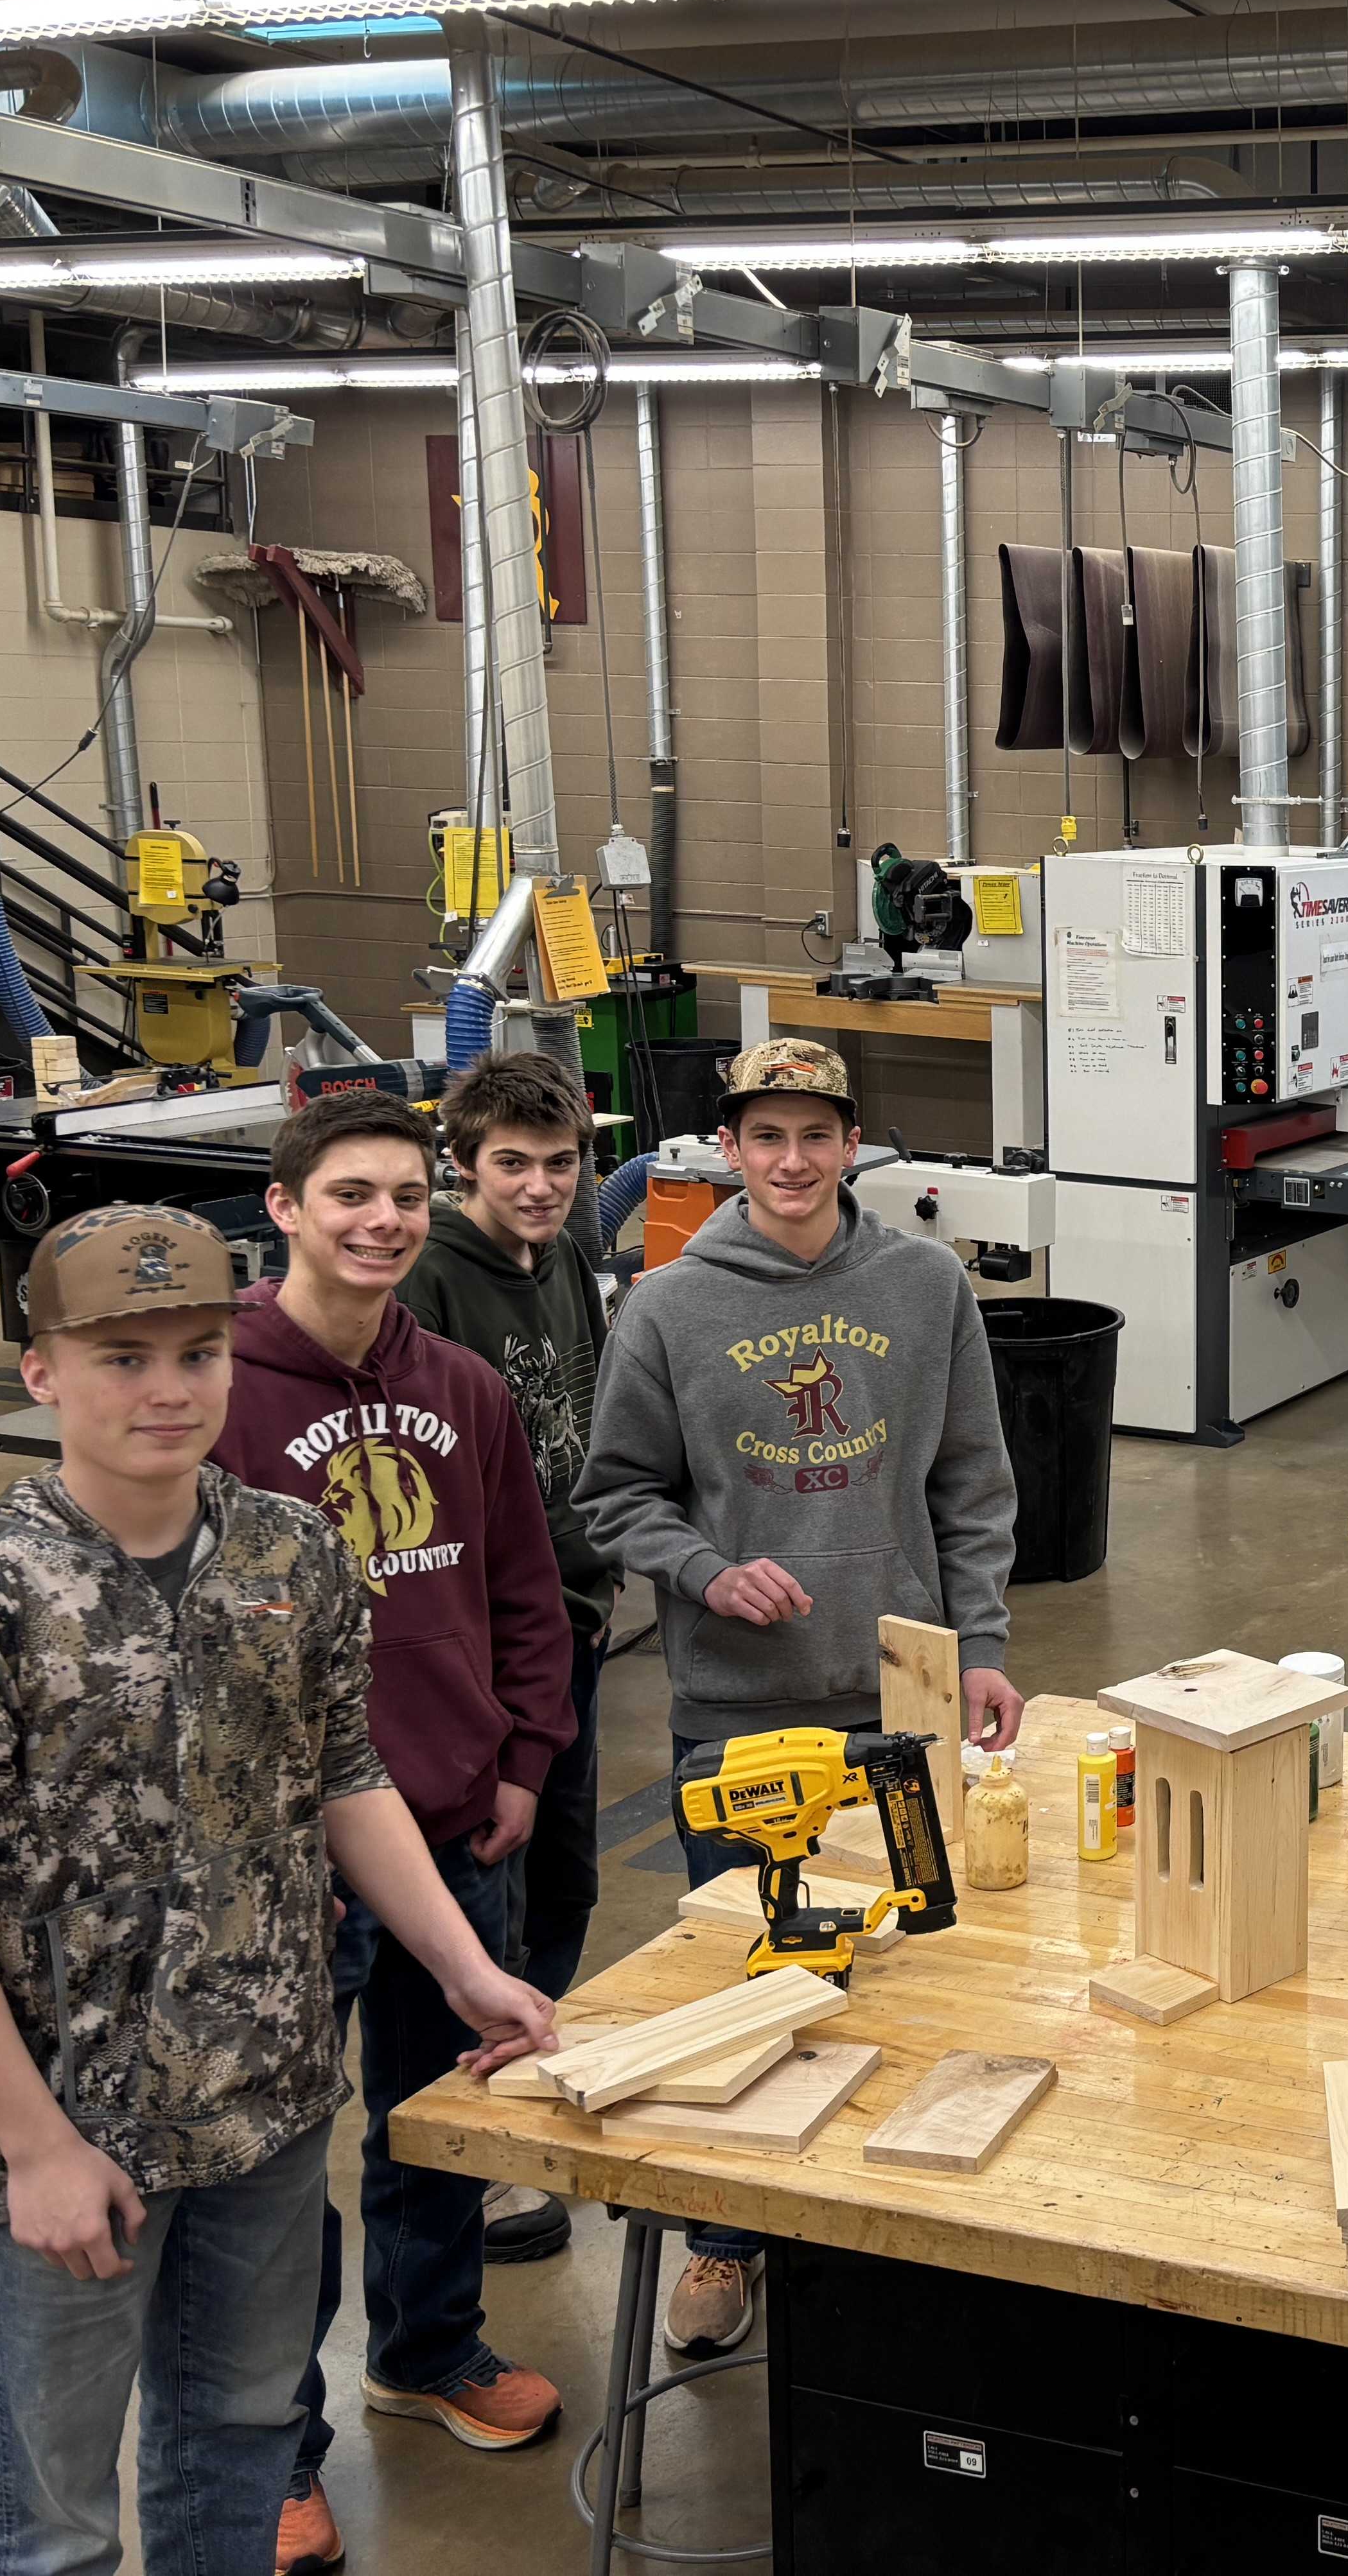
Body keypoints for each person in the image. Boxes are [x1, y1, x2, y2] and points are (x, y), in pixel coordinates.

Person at [0, 1205, 554, 2576]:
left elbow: (346, 1776)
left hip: (266, 2109)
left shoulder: (294, 1554)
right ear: (41, 1370)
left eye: (194, 1352)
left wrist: (465, 1967)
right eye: (121, 1358)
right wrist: (37, 2148)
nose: (166, 1390)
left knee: (235, 2447)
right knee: (46, 2518)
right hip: (59, 2140)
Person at [575, 1036, 1022, 2355]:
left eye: (814, 1136)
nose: (789, 1161)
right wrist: (706, 1574)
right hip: (741, 1705)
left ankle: (897, 2228)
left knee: (908, 1971)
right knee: (750, 1976)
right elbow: (614, 1497)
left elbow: (972, 1485)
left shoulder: (925, 1283)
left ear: (853, 1145)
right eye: (763, 1137)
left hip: (899, 1697)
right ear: (727, 1149)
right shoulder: (666, 1307)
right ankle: (726, 2244)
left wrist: (982, 1642)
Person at [213, 1088, 579, 2570]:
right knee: (279, 2173)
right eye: (349, 1195)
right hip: (288, 1855)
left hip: (453, 1826)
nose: (384, 1221)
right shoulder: (222, 1393)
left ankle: (428, 2355)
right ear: (287, 1210)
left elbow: (521, 1590)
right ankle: (273, 2454)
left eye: (407, 1197)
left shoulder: (465, 1389)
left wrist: (523, 1762)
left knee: (441, 2129)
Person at [394, 1049, 618, 2269]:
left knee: (569, 1881)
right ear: (464, 1163)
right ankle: (473, 2147)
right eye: (513, 1164)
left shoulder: (570, 1258)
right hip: (479, 1645)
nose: (539, 1186)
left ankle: (527, 2076)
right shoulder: (427, 1277)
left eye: (560, 1162)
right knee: (490, 1892)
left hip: (570, 1618)